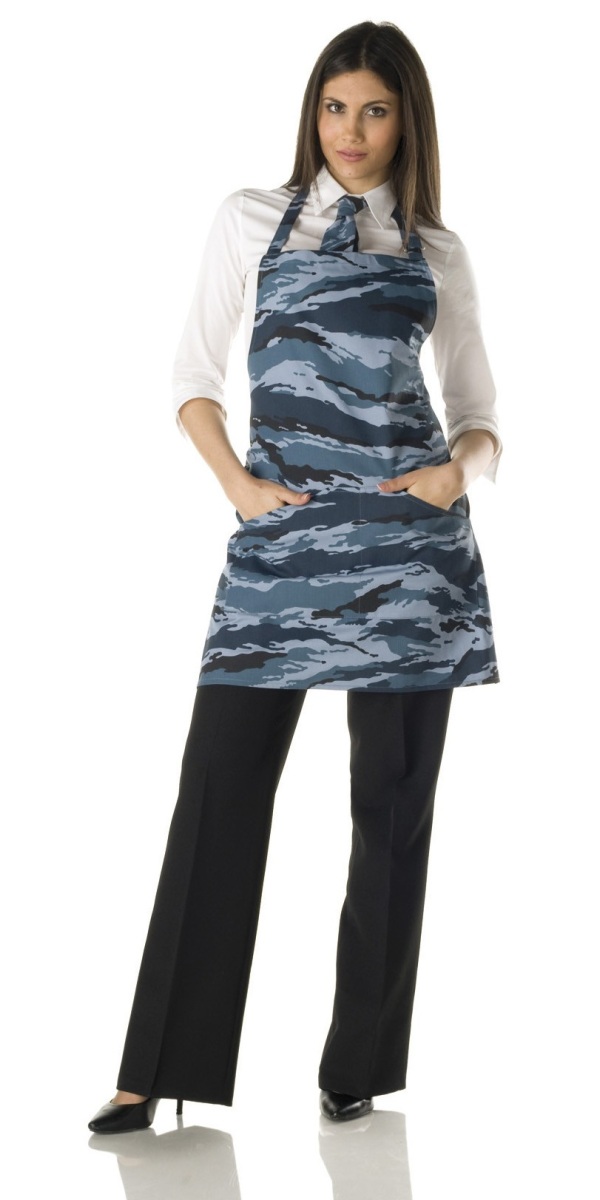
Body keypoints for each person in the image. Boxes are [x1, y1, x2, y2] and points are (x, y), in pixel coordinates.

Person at [88, 20, 500, 1135]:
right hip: (281, 547)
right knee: (218, 791)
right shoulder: (250, 218)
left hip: (408, 559)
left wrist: (455, 477)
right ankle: (155, 1068)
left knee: (391, 812)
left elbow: (479, 414)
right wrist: (236, 485)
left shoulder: (437, 249)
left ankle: (356, 1065)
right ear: (311, 113)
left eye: (375, 109)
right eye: (334, 106)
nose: (350, 131)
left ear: (407, 121)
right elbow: (192, 375)